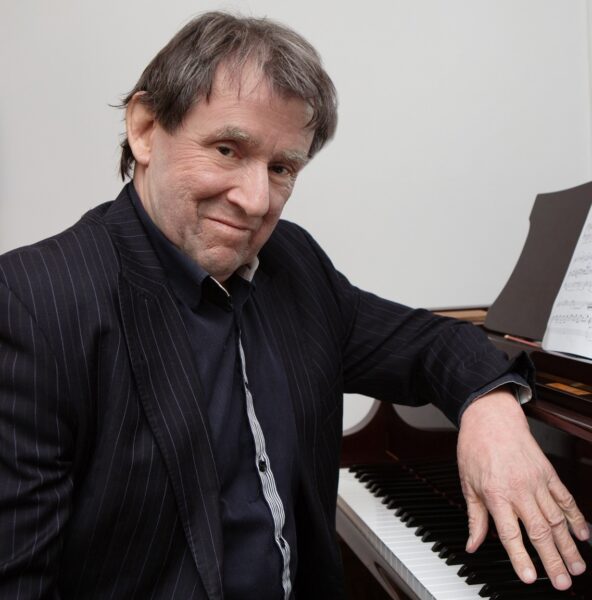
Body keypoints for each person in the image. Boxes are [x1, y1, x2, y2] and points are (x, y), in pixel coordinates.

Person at [0, 11, 588, 600]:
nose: (256, 201)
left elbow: (429, 343)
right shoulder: (35, 299)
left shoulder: (293, 264)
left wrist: (492, 409)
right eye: (228, 149)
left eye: (282, 168)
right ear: (146, 128)